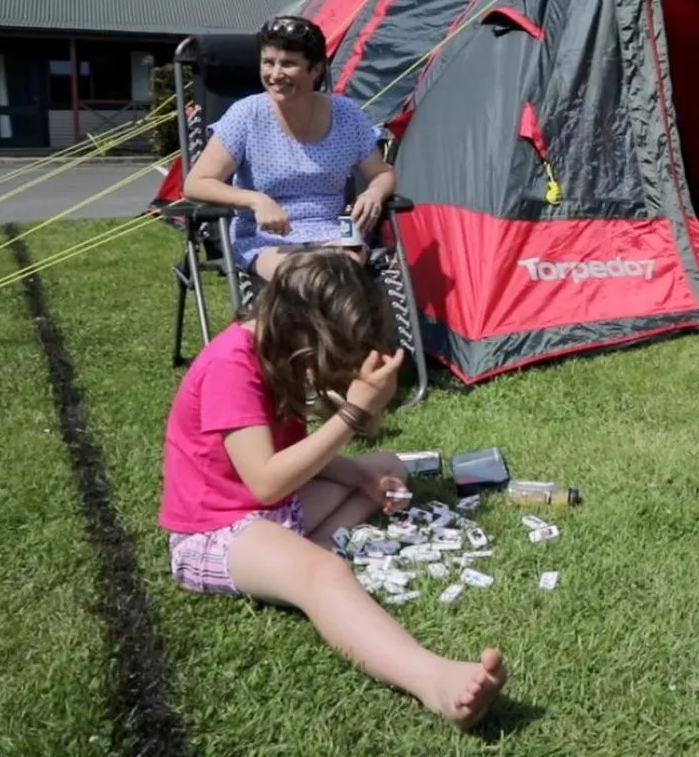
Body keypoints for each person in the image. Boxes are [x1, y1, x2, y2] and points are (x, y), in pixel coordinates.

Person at [157, 248, 506, 727]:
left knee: (384, 466)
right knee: (322, 575)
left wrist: (363, 460)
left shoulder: (278, 349)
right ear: (304, 328)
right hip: (216, 530)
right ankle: (433, 680)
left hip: (276, 508)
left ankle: (309, 548)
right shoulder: (231, 365)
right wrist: (352, 414)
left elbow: (306, 458)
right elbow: (264, 480)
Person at [182, 14, 397, 281]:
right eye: (268, 62)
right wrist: (256, 200)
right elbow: (196, 183)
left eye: (288, 64)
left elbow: (382, 173)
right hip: (267, 239)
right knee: (307, 280)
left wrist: (374, 194)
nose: (274, 74)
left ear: (316, 69)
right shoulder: (247, 115)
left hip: (332, 233)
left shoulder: (346, 114)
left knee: (339, 277)